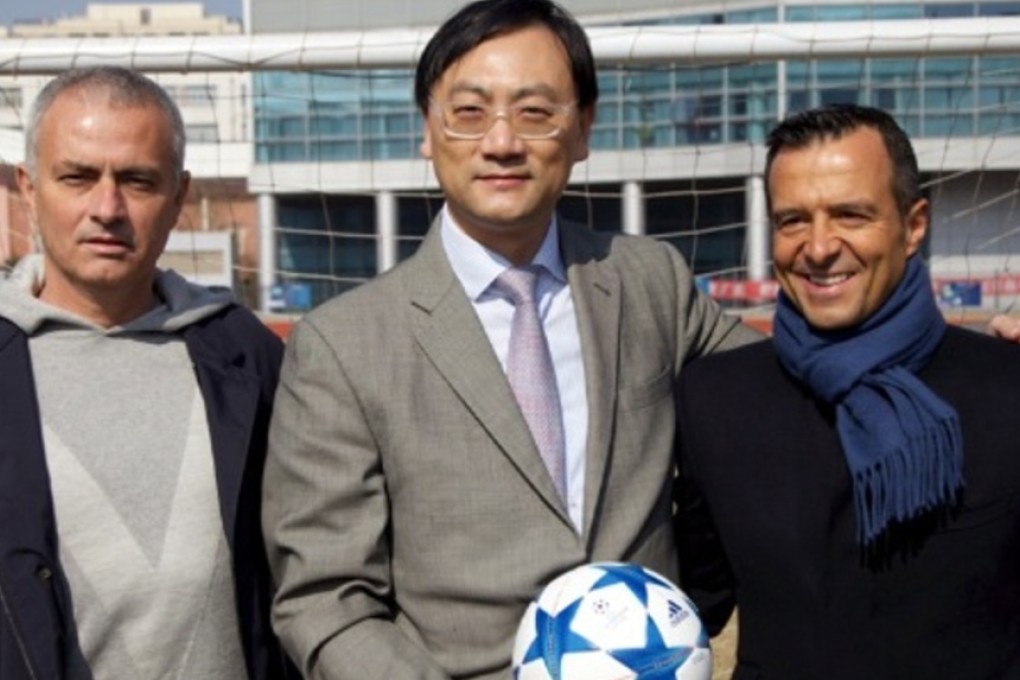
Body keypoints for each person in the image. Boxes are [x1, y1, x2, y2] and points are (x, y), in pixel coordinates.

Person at [260, 0, 759, 677]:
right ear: (428, 132)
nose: (501, 142)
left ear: (582, 129)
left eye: (534, 111)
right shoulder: (343, 347)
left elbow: (773, 399)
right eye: (468, 113)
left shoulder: (650, 284)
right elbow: (325, 597)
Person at [674, 103, 1020, 679]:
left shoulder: (1007, 387)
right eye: (792, 221)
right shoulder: (714, 400)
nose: (818, 247)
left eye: (851, 215)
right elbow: (691, 603)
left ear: (913, 226)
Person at [0, 66, 293, 679]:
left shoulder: (247, 357)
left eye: (137, 181)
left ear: (179, 197)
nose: (107, 209)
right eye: (77, 177)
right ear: (28, 188)